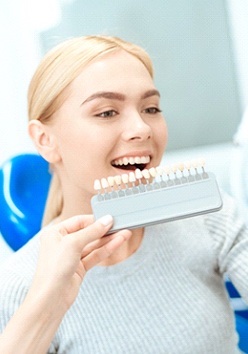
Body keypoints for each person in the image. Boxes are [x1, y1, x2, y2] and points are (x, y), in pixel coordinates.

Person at [0, 35, 247, 353]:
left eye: (151, 108)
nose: (142, 128)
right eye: (106, 113)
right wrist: (47, 303)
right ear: (45, 139)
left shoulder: (211, 216)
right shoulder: (18, 286)